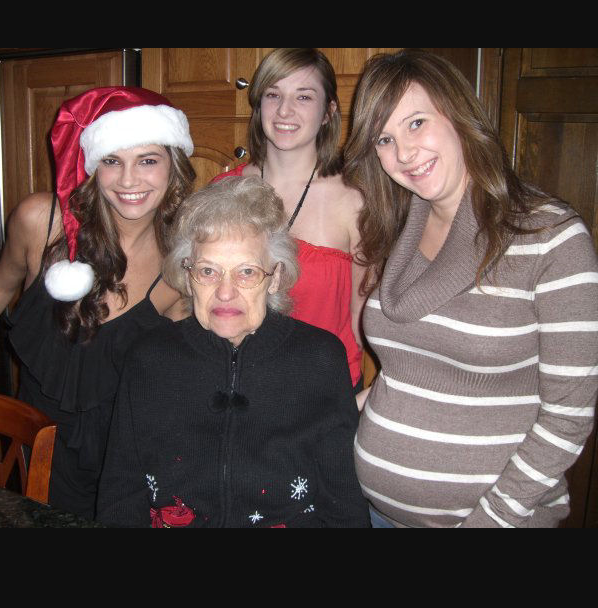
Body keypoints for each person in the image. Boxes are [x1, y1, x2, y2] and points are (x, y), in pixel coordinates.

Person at [343, 49, 598, 528]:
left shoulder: (551, 237)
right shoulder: (397, 230)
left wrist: (489, 522)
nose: (404, 153)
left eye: (416, 123)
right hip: (377, 514)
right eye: (385, 139)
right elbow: (409, 375)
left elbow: (568, 416)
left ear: (459, 115)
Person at [0, 86, 196, 519]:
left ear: (174, 166)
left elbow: (176, 375)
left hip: (124, 454)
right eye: (111, 161)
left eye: (147, 160)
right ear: (91, 165)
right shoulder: (42, 222)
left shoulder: (181, 264)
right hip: (38, 443)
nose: (128, 181)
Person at [96, 175, 370, 528]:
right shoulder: (149, 358)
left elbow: (344, 504)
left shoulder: (319, 359)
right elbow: (121, 495)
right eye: (208, 271)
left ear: (275, 277)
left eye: (246, 272)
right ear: (187, 275)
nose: (225, 293)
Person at [211, 48, 366, 393]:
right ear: (259, 106)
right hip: (237, 390)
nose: (284, 110)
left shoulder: (355, 201)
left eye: (304, 96)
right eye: (273, 94)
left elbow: (365, 322)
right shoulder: (222, 190)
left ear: (328, 112)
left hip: (323, 392)